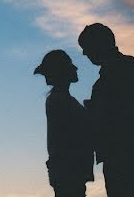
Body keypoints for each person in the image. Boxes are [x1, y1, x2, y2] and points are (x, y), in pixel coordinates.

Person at [78, 23, 134, 197]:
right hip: (132, 155)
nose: (84, 53)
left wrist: (92, 113)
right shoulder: (131, 66)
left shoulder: (117, 73)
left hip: (125, 158)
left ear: (98, 45)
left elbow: (114, 116)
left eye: (86, 48)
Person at [34, 49, 95, 197]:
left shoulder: (61, 100)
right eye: (70, 65)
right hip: (69, 172)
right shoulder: (59, 100)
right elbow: (83, 129)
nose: (75, 68)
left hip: (68, 172)